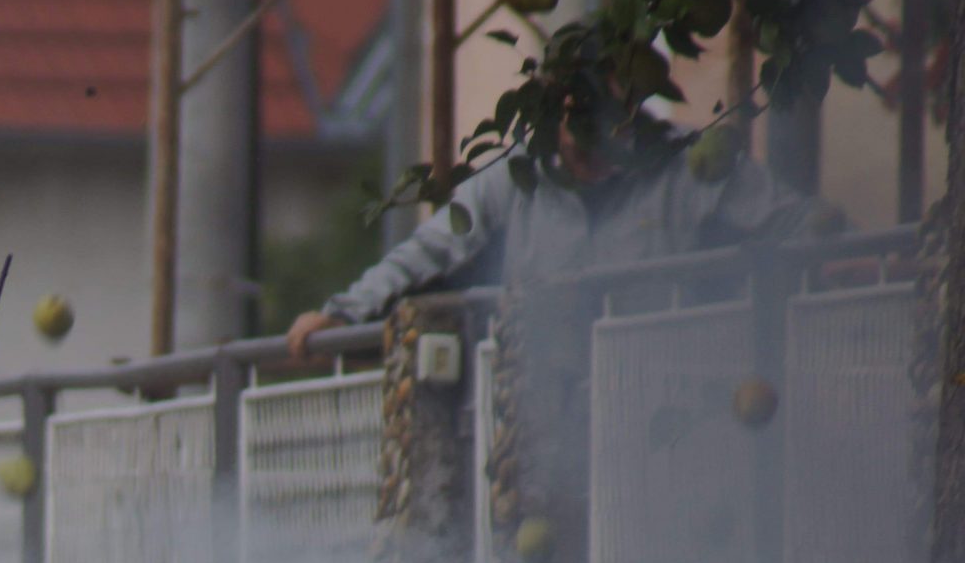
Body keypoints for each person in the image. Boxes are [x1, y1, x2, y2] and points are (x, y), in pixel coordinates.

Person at [285, 115, 822, 361]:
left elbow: (796, 222)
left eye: (604, 126)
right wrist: (344, 313)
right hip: (542, 408)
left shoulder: (683, 163)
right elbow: (429, 248)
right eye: (576, 128)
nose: (589, 153)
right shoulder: (519, 175)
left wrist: (842, 257)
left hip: (662, 394)